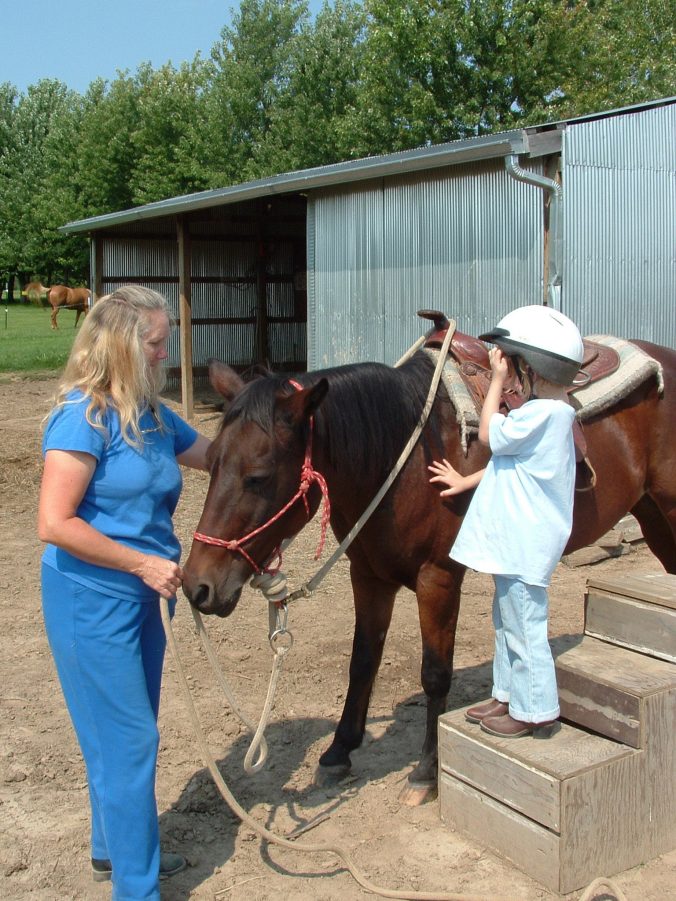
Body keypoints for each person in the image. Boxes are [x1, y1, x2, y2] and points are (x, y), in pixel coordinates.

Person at [37, 286, 212, 899]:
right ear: (121, 347)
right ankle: (137, 889)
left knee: (120, 735)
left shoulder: (154, 417)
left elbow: (221, 457)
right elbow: (54, 523)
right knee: (129, 738)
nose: (166, 354)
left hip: (146, 597)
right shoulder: (82, 418)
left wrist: (280, 426)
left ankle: (113, 849)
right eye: (156, 343)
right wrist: (140, 563)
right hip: (91, 598)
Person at [429, 304, 583, 738]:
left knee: (524, 629)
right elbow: (510, 463)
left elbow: (489, 436)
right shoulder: (551, 415)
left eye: (514, 365)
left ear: (533, 368)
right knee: (507, 622)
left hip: (523, 545)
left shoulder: (542, 414)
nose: (511, 372)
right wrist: (465, 480)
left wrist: (495, 380)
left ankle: (536, 711)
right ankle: (506, 694)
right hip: (516, 545)